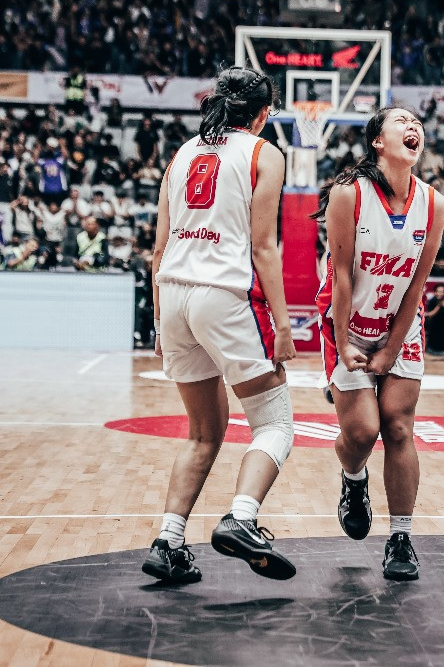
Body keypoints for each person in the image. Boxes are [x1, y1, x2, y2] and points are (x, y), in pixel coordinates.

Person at [143, 67, 297, 585]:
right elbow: (264, 247)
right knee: (274, 423)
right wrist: (281, 321)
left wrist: (162, 320)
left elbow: (159, 247)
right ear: (263, 114)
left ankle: (168, 541)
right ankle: (242, 518)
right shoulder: (264, 152)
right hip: (223, 295)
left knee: (204, 432)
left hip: (174, 295)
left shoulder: (181, 154)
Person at [315, 106, 444, 581]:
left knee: (398, 428)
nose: (414, 127)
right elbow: (341, 276)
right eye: (402, 122)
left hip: (400, 324)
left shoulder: (435, 204)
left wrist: (392, 348)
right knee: (361, 433)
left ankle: (401, 538)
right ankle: (355, 481)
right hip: (348, 323)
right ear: (377, 140)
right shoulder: (348, 195)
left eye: (418, 123)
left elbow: (416, 285)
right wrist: (343, 341)